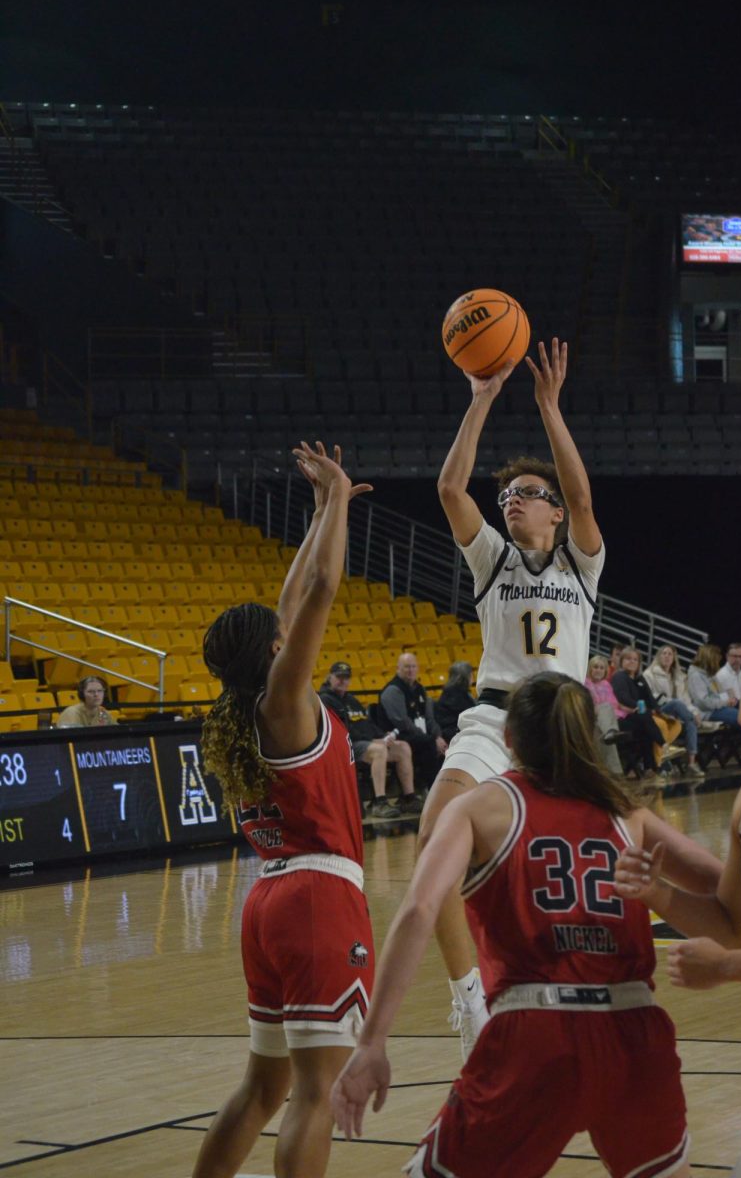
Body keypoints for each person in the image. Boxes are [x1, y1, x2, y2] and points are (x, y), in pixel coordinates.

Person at [331, 671, 724, 1178]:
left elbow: (419, 910)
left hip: (536, 1034)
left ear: (509, 738)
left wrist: (371, 1044)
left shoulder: (480, 807)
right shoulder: (630, 815)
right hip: (634, 1032)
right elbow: (731, 894)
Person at [191, 441, 374, 1178]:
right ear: (273, 649)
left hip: (266, 901)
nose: (286, 621)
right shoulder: (286, 702)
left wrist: (327, 506)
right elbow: (322, 589)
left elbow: (294, 598)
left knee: (262, 1087)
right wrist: (331, 518)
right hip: (316, 902)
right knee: (314, 1092)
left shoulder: (249, 710)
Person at [428, 337, 606, 1057]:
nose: (510, 502)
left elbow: (584, 492)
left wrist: (546, 405)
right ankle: (468, 999)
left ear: (555, 513)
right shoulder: (492, 558)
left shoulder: (580, 560)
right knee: (436, 836)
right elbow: (449, 489)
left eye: (525, 495)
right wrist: (478, 402)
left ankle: (566, 995)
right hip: (493, 714)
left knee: (558, 878)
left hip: (559, 726)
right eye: (505, 496)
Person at [614, 622, 741, 1178]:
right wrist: (658, 893)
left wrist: (728, 969)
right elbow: (731, 923)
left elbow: (731, 952)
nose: (735, 683)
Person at [318, 660, 422, 818]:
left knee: (403, 747)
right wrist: (375, 741)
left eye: (345, 678)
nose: (342, 681)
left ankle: (408, 798)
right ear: (329, 677)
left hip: (364, 742)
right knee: (379, 750)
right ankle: (380, 803)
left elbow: (367, 723)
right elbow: (342, 731)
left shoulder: (351, 700)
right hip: (344, 746)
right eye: (338, 677)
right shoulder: (325, 700)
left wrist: (383, 736)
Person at [611, 645, 683, 786]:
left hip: (641, 718)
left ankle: (650, 770)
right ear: (622, 661)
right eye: (628, 659)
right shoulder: (619, 677)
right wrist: (644, 708)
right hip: (624, 717)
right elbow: (623, 698)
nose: (632, 662)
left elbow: (650, 698)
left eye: (635, 659)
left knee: (650, 731)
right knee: (644, 717)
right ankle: (664, 747)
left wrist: (657, 710)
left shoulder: (639, 678)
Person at [376, 652, 447, 790]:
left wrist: (438, 736)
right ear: (398, 668)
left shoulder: (420, 689)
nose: (411, 670)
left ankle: (441, 787)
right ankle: (432, 789)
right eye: (407, 667)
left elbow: (429, 718)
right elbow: (403, 723)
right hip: (397, 734)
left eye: (413, 667)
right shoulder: (393, 690)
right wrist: (431, 738)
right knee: (428, 743)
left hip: (418, 733)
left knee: (444, 742)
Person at [687, 643, 741, 763]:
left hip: (718, 707)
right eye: (716, 659)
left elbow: (722, 692)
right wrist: (725, 701)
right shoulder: (696, 676)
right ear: (709, 658)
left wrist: (729, 700)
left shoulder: (709, 674)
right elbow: (703, 703)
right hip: (707, 712)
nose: (718, 661)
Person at [643, 645, 706, 780]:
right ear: (659, 656)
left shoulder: (680, 677)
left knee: (690, 723)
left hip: (678, 713)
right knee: (677, 704)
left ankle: (691, 763)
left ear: (674, 658)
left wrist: (694, 712)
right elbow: (650, 696)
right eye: (664, 653)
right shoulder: (649, 674)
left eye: (670, 654)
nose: (667, 656)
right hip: (659, 709)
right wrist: (672, 702)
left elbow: (686, 700)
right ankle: (691, 719)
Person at [584, 654, 625, 776]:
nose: (598, 670)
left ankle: (615, 773)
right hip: (589, 716)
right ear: (590, 669)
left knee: (604, 736)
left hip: (602, 721)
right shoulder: (584, 682)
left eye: (602, 668)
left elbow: (615, 705)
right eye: (595, 667)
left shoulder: (606, 685)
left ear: (605, 671)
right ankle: (611, 732)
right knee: (605, 708)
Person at [434, 660, 476, 744]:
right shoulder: (455, 695)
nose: (473, 676)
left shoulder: (455, 692)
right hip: (456, 736)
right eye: (471, 674)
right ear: (465, 676)